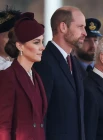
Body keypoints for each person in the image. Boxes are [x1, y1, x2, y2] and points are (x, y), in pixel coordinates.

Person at [33, 6, 87, 140]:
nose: (85, 33)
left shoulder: (76, 65)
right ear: (63, 27)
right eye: (80, 27)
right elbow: (40, 115)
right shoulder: (44, 62)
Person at [0, 12, 47, 140]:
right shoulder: (7, 77)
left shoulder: (37, 77)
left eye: (42, 42)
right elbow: (3, 128)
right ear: (20, 45)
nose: (42, 47)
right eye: (36, 42)